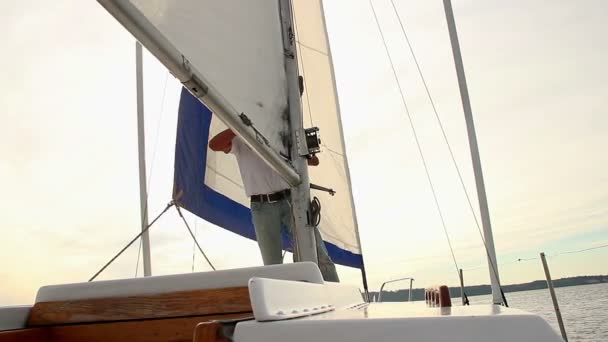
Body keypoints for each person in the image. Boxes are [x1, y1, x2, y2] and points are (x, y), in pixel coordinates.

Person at [209, 129, 339, 282]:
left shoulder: (282, 129)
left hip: (292, 200)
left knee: (318, 253)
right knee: (272, 266)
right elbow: (214, 145)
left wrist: (295, 149)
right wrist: (238, 126)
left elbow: (313, 161)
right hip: (262, 207)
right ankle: (281, 301)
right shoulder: (239, 137)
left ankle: (333, 293)